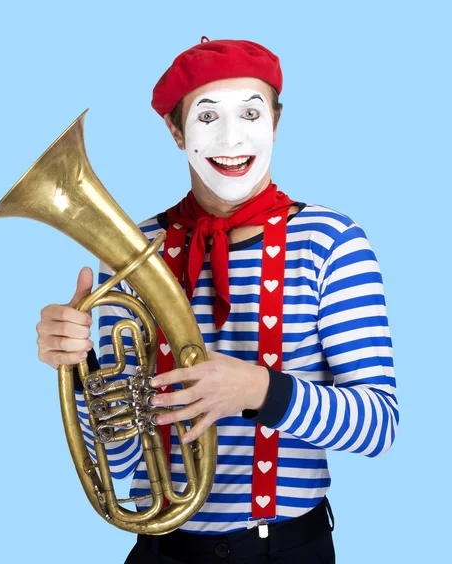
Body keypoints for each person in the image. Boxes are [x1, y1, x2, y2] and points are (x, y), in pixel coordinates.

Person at [36, 37, 398, 563]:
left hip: (284, 550)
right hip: (162, 550)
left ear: (275, 122)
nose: (232, 137)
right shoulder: (132, 250)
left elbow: (378, 425)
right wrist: (79, 365)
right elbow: (116, 457)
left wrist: (260, 389)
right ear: (176, 132)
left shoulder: (332, 242)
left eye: (250, 113)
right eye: (207, 118)